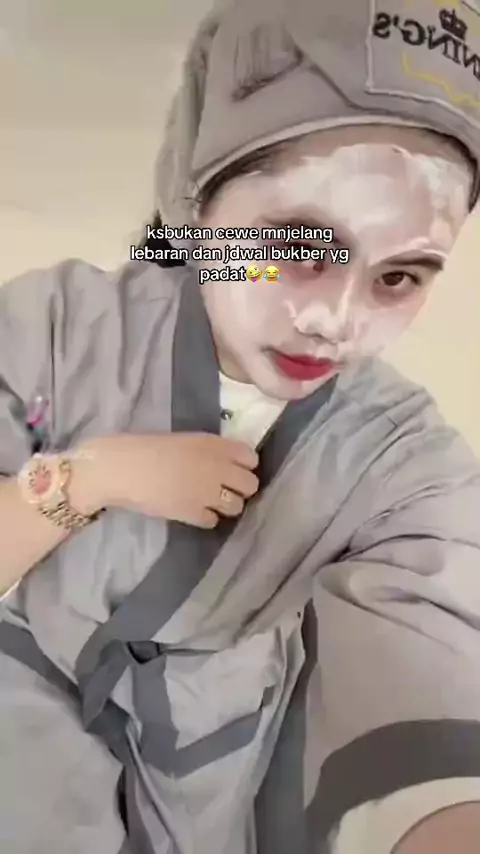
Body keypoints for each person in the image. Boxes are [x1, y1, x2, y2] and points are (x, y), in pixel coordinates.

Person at [2, 0, 480, 850]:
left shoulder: (404, 459)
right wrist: (87, 477)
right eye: (298, 247)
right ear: (196, 201)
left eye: (398, 277)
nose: (336, 322)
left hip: (221, 771)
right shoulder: (57, 327)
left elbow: (428, 686)